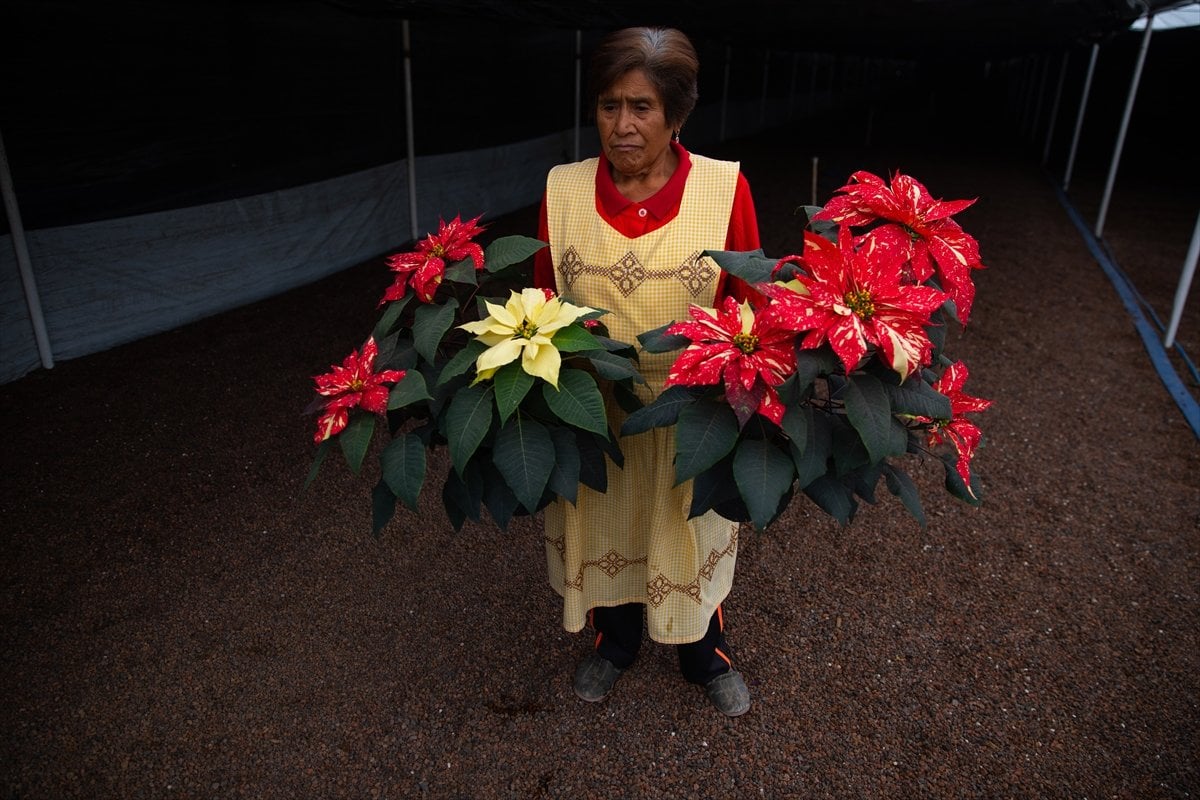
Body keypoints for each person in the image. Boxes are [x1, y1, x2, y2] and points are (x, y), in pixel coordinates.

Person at [532, 26, 762, 717]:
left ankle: (704, 654)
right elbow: (541, 301)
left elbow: (748, 308)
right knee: (603, 529)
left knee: (688, 532)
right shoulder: (563, 188)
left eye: (642, 108)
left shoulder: (725, 189)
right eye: (609, 106)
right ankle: (616, 641)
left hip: (690, 418)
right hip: (593, 415)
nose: (622, 126)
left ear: (677, 115)